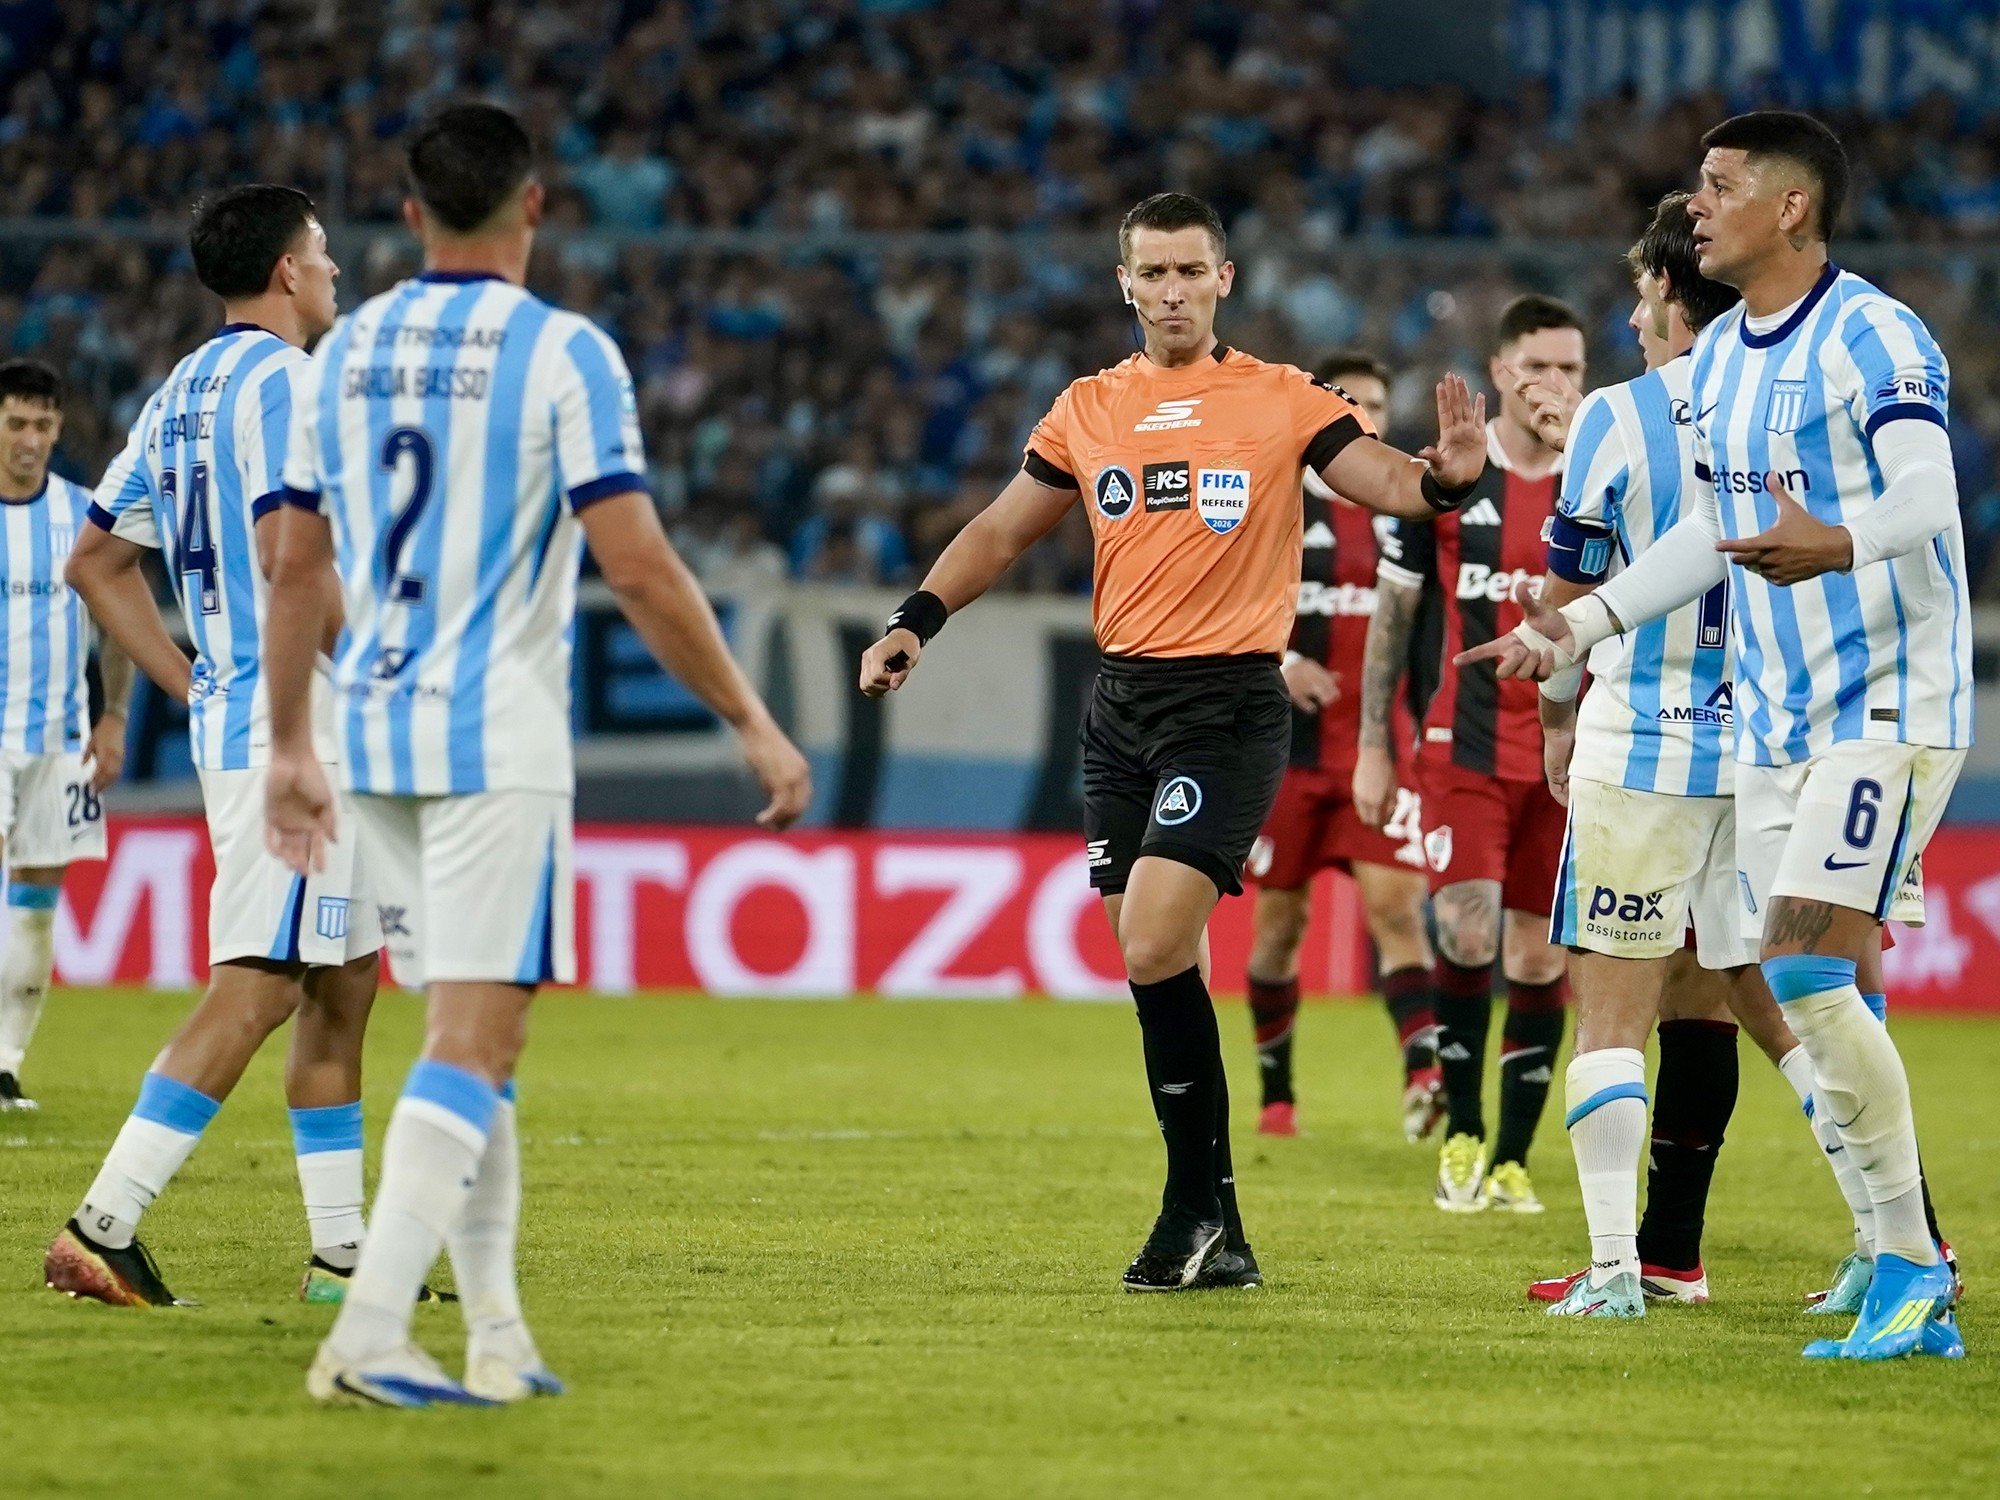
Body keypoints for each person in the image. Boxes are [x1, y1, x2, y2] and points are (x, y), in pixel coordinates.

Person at [262, 103, 812, 1407]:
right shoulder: (564, 352)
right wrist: (748, 717)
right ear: (535, 206)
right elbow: (638, 564)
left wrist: (289, 740)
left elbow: (296, 564)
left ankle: (498, 1334)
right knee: (477, 1035)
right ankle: (368, 1335)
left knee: (476, 1037)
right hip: (492, 738)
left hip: (371, 733)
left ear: (411, 215)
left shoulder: (343, 351)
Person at [858, 191, 1487, 1293]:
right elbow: (1002, 528)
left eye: (1190, 271)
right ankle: (1222, 1230)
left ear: (1224, 279)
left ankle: (1185, 1209)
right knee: (1159, 963)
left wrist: (1446, 478)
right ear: (1125, 284)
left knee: (1153, 944)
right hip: (1120, 709)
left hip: (1228, 706)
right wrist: (917, 619)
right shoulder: (1088, 407)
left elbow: (1383, 479)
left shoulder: (1281, 398)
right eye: (1151, 273)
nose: (1172, 292)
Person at [1463, 112, 1969, 1361]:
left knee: (1797, 975)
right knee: (1815, 984)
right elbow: (1706, 536)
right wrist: (1577, 626)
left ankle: (1911, 1261)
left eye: (1717, 185)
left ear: (1788, 206)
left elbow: (1926, 489)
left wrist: (1836, 543)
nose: (1694, 205)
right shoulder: (1727, 359)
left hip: (1884, 704)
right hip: (1771, 721)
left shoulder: (1871, 332)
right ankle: (1892, 1253)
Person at [45, 186, 390, 1310]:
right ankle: (102, 1224)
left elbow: (95, 562)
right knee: (260, 984)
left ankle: (342, 1260)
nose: (332, 270)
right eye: (322, 252)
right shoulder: (289, 385)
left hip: (244, 719)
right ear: (287, 269)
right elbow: (294, 559)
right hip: (299, 730)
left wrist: (190, 678)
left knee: (343, 978)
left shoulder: (182, 391)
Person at [1355, 296, 1583, 1215]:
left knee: (1537, 958)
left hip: (1567, 757)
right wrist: (1375, 745)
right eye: (1539, 365)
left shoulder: (1600, 479)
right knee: (1467, 931)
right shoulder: (1451, 476)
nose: (1555, 383)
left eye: (1571, 368)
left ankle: (1515, 1160)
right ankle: (1465, 1134)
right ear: (1500, 372)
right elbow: (1395, 614)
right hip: (1462, 749)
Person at [1241, 350, 1441, 1142]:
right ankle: (1277, 1098)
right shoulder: (1275, 499)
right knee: (1278, 929)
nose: (1365, 415)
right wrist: (1283, 662)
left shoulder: (1411, 511)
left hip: (1379, 752)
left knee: (1397, 910)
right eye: (1348, 400)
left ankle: (1424, 1078)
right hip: (1283, 759)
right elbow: (1226, 603)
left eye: (1377, 404)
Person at [0, 359, 134, 1109]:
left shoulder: (84, 516)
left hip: (59, 739)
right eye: (15, 423)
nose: (29, 439)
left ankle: (5, 1064)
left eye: (42, 425)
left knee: (34, 907)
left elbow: (120, 622)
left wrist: (115, 716)